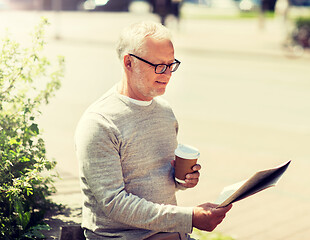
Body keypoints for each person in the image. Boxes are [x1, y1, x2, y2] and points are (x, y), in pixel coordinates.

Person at [75, 21, 232, 240]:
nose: (167, 74)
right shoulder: (99, 123)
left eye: (171, 64)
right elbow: (114, 203)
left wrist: (181, 180)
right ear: (129, 63)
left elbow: (154, 180)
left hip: (170, 234)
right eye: (158, 65)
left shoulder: (165, 112)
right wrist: (190, 218)